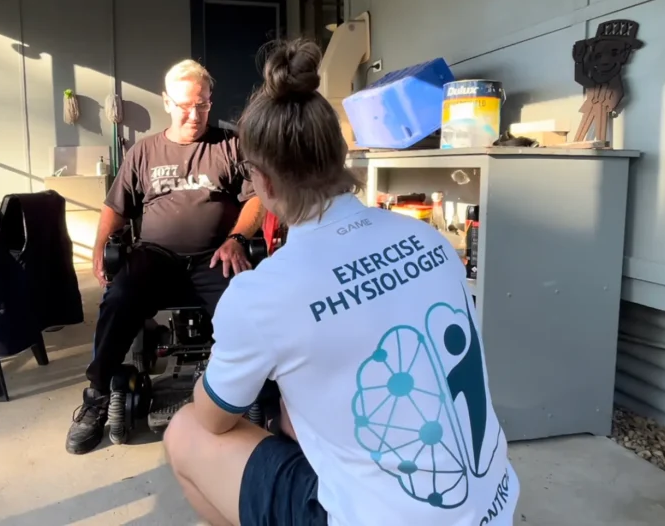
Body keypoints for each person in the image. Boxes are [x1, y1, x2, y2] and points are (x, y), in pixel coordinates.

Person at [162, 39, 519, 526]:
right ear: (342, 156)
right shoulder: (429, 240)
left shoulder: (264, 292)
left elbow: (213, 418)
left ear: (262, 183)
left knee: (184, 431)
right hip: (493, 506)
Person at [65, 59, 263, 455]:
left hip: (215, 256)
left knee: (249, 314)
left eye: (203, 105)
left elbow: (257, 198)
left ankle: (253, 394)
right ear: (167, 102)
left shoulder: (232, 145)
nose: (194, 114)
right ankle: (98, 395)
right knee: (118, 301)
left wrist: (238, 238)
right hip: (155, 257)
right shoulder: (144, 151)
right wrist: (99, 250)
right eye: (185, 105)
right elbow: (115, 208)